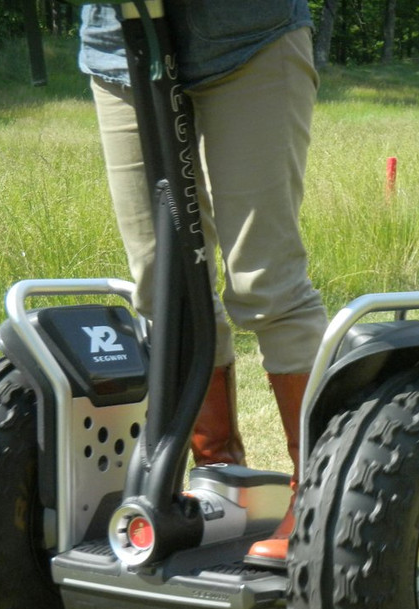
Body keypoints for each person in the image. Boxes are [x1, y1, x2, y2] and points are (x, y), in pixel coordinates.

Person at [79, 1, 329, 569]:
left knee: (267, 283)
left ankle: (318, 491)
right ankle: (219, 473)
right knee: (162, 289)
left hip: (246, 33)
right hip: (119, 45)